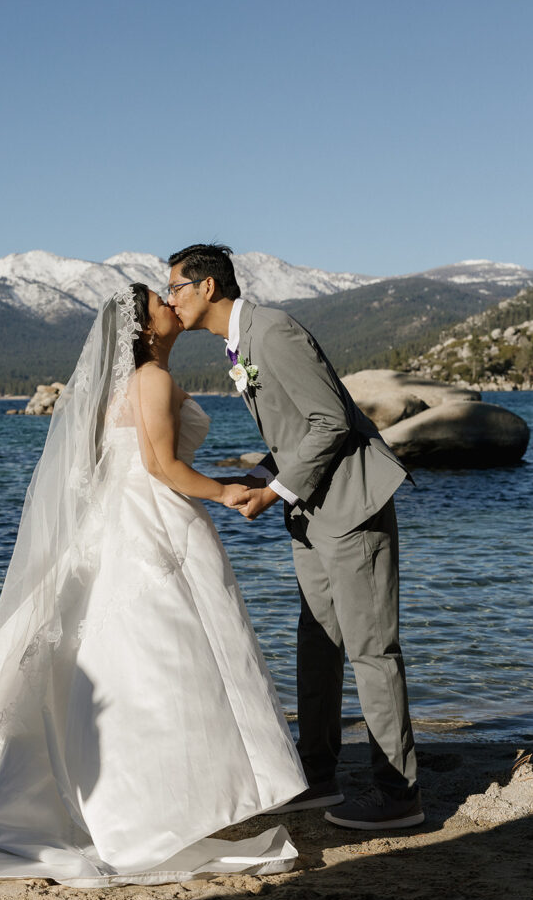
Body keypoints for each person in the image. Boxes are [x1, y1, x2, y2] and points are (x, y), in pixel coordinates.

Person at [0, 284, 307, 887]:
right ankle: (151, 812)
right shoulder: (150, 378)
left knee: (132, 658)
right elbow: (160, 468)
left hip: (118, 522)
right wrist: (227, 491)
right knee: (165, 660)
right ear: (143, 327)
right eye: (159, 300)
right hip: (153, 519)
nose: (170, 303)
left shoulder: (115, 387)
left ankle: (146, 803)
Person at [166, 244, 423, 830]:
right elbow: (294, 434)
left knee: (371, 650)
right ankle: (318, 774)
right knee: (317, 644)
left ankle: (398, 793)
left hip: (352, 506)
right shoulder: (243, 342)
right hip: (312, 512)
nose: (170, 299)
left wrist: (276, 492)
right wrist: (257, 478)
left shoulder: (273, 331)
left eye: (176, 287)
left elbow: (331, 420)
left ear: (208, 288)